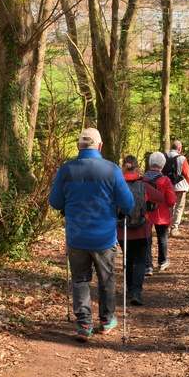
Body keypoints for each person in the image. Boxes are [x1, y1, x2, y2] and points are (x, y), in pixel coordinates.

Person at [49, 128, 135, 343]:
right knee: (106, 279)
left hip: (76, 237)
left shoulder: (66, 170)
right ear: (100, 145)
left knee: (80, 280)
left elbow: (56, 203)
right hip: (104, 238)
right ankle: (106, 321)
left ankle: (84, 324)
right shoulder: (111, 170)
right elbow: (128, 204)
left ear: (79, 146)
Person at [117, 156, 165, 307]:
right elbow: (161, 199)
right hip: (142, 229)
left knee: (128, 260)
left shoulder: (116, 184)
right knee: (139, 261)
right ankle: (136, 292)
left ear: (123, 167)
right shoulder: (143, 185)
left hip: (122, 229)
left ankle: (130, 290)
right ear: (137, 168)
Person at [143, 152, 177, 274]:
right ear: (162, 165)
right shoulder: (165, 180)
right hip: (161, 214)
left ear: (149, 164)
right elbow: (172, 201)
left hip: (146, 213)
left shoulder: (142, 178)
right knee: (162, 238)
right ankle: (162, 262)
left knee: (147, 239)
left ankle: (148, 266)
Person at [164, 140, 189, 236]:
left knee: (169, 206)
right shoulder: (182, 158)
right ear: (180, 148)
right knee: (179, 207)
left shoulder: (164, 157)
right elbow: (187, 173)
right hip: (180, 187)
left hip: (167, 186)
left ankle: (166, 226)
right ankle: (174, 228)